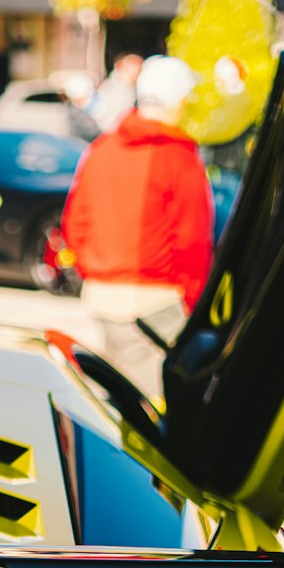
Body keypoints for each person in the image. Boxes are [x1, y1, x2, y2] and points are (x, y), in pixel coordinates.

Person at [61, 54, 213, 387]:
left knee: (118, 395)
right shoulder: (179, 157)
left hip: (103, 294)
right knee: (153, 403)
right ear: (179, 100)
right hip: (159, 298)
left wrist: (96, 269)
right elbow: (191, 239)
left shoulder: (102, 149)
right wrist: (193, 298)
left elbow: (76, 222)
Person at [89, 53, 143, 135]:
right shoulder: (108, 89)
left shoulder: (135, 89)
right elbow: (105, 119)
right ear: (121, 68)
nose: (137, 75)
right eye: (134, 71)